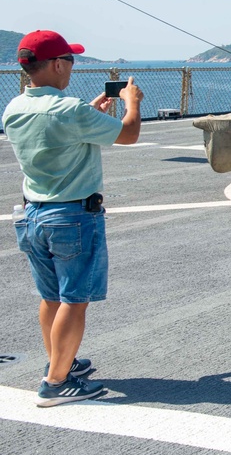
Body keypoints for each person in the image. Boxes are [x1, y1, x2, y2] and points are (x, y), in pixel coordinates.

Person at [3, 30, 143, 407]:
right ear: (57, 64)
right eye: (70, 60)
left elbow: (56, 136)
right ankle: (56, 382)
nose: (71, 67)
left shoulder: (14, 107)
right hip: (73, 217)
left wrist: (89, 116)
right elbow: (129, 134)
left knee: (51, 296)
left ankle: (60, 362)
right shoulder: (68, 109)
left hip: (34, 215)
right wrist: (132, 102)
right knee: (74, 299)